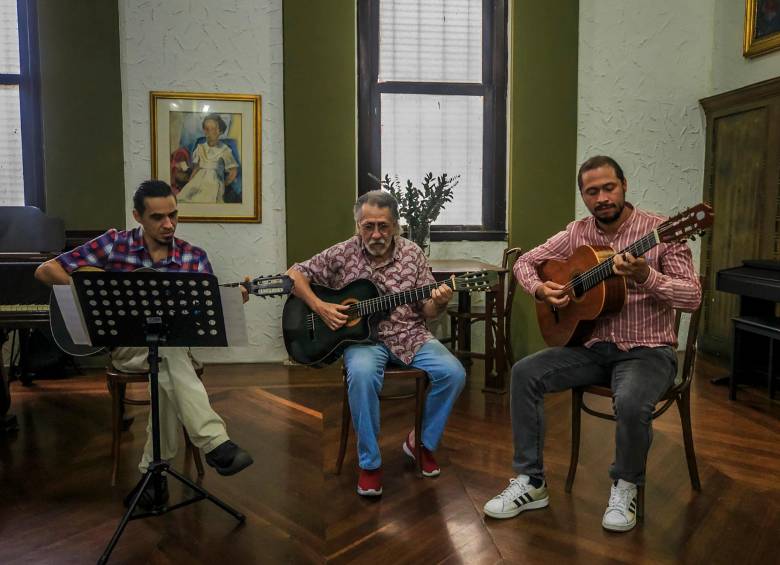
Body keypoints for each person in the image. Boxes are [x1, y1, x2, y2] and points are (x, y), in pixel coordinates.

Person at [483, 156, 701, 532]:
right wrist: (540, 288)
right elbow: (525, 262)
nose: (601, 197)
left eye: (608, 187)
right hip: (591, 347)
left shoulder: (664, 230)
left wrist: (647, 275)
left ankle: (625, 484)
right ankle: (531, 482)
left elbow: (692, 297)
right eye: (592, 191)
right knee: (524, 373)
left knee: (631, 399)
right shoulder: (576, 232)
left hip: (647, 350)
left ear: (624, 185)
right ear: (583, 195)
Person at [35, 180, 253, 508]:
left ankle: (155, 479)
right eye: (157, 217)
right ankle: (214, 443)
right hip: (125, 348)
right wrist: (90, 297)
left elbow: (202, 317)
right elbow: (46, 270)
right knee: (165, 357)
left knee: (164, 356)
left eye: (174, 215)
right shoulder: (113, 245)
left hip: (171, 350)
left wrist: (234, 300)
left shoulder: (193, 257)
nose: (168, 224)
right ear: (137, 215)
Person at [286, 190, 466, 497]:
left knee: (454, 373)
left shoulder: (413, 255)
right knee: (362, 376)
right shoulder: (342, 253)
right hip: (363, 341)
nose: (376, 234)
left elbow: (426, 311)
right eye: (368, 226)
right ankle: (369, 464)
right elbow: (294, 274)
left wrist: (440, 303)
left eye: (383, 226)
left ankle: (420, 443)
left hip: (410, 334)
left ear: (396, 226)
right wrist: (321, 306)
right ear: (357, 225)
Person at [177, 113, 239, 203]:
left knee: (207, 199)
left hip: (214, 184)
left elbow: (233, 171)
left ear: (220, 131)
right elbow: (196, 168)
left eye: (213, 129)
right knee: (184, 198)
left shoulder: (224, 150)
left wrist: (223, 183)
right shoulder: (200, 147)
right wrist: (190, 182)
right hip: (197, 181)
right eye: (206, 129)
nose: (209, 132)